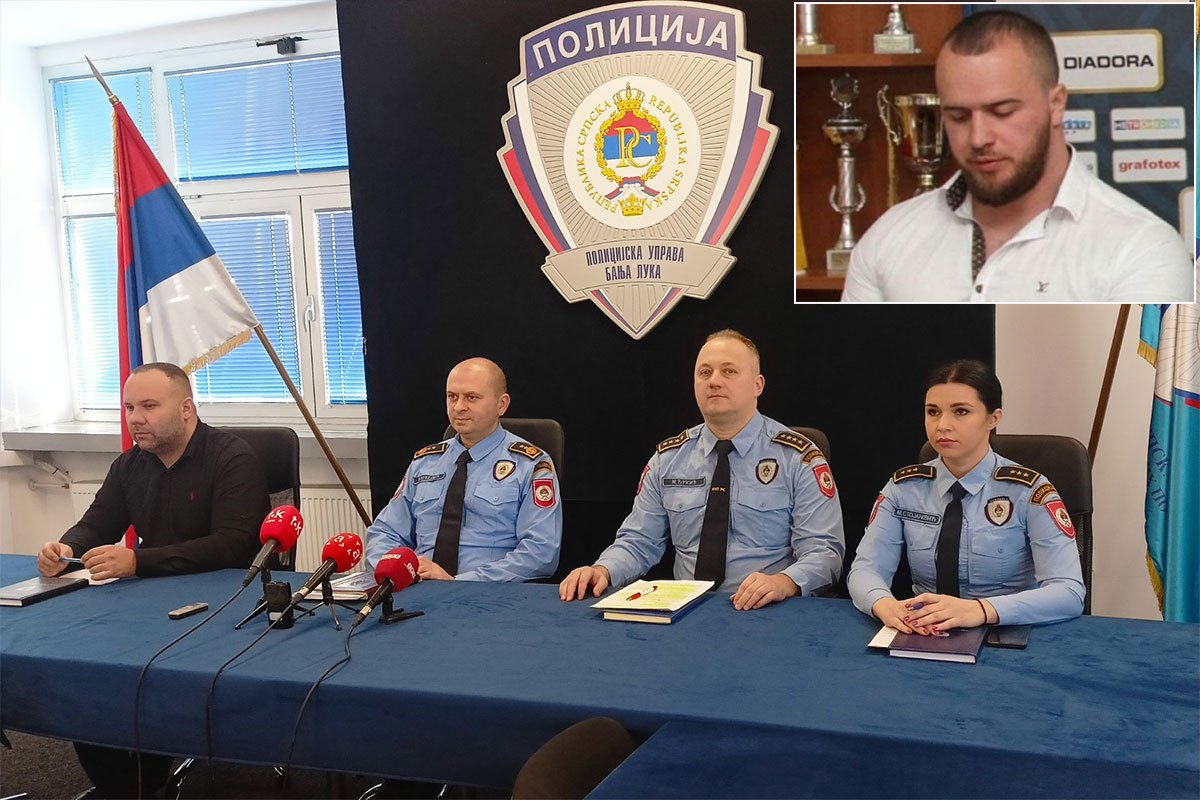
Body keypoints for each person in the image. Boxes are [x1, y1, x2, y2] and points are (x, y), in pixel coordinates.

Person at [841, 10, 1193, 303]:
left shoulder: (1141, 249)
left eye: (1002, 112)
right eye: (958, 116)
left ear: (1056, 104)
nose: (978, 138)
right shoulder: (887, 239)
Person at [37, 362, 270, 800]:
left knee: (148, 676)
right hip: (146, 597)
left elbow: (235, 546)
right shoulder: (130, 465)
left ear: (186, 409)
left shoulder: (232, 458)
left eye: (148, 406)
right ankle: (124, 785)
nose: (135, 419)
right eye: (128, 408)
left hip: (219, 602)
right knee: (88, 671)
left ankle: (150, 775)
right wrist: (66, 548)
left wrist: (137, 561)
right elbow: (97, 524)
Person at [559, 330, 844, 611]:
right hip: (685, 611)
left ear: (757, 385)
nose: (714, 381)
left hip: (768, 610)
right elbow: (639, 542)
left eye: (729, 371)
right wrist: (603, 570)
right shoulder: (668, 459)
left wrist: (785, 582)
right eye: (704, 372)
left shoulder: (798, 458)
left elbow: (824, 552)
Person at [847, 360, 1085, 633]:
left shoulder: (1029, 492)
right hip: (925, 631)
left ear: (993, 418)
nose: (942, 425)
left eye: (961, 411)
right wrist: (884, 604)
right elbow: (865, 570)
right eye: (933, 412)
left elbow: (1069, 592)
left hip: (1004, 630)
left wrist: (981, 610)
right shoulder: (904, 488)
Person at [364, 357, 561, 582]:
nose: (459, 407)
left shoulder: (531, 465)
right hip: (418, 588)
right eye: (452, 397)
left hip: (489, 593)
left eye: (471, 397)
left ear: (501, 404)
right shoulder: (424, 462)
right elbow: (384, 532)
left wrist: (458, 582)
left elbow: (540, 553)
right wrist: (396, 571)